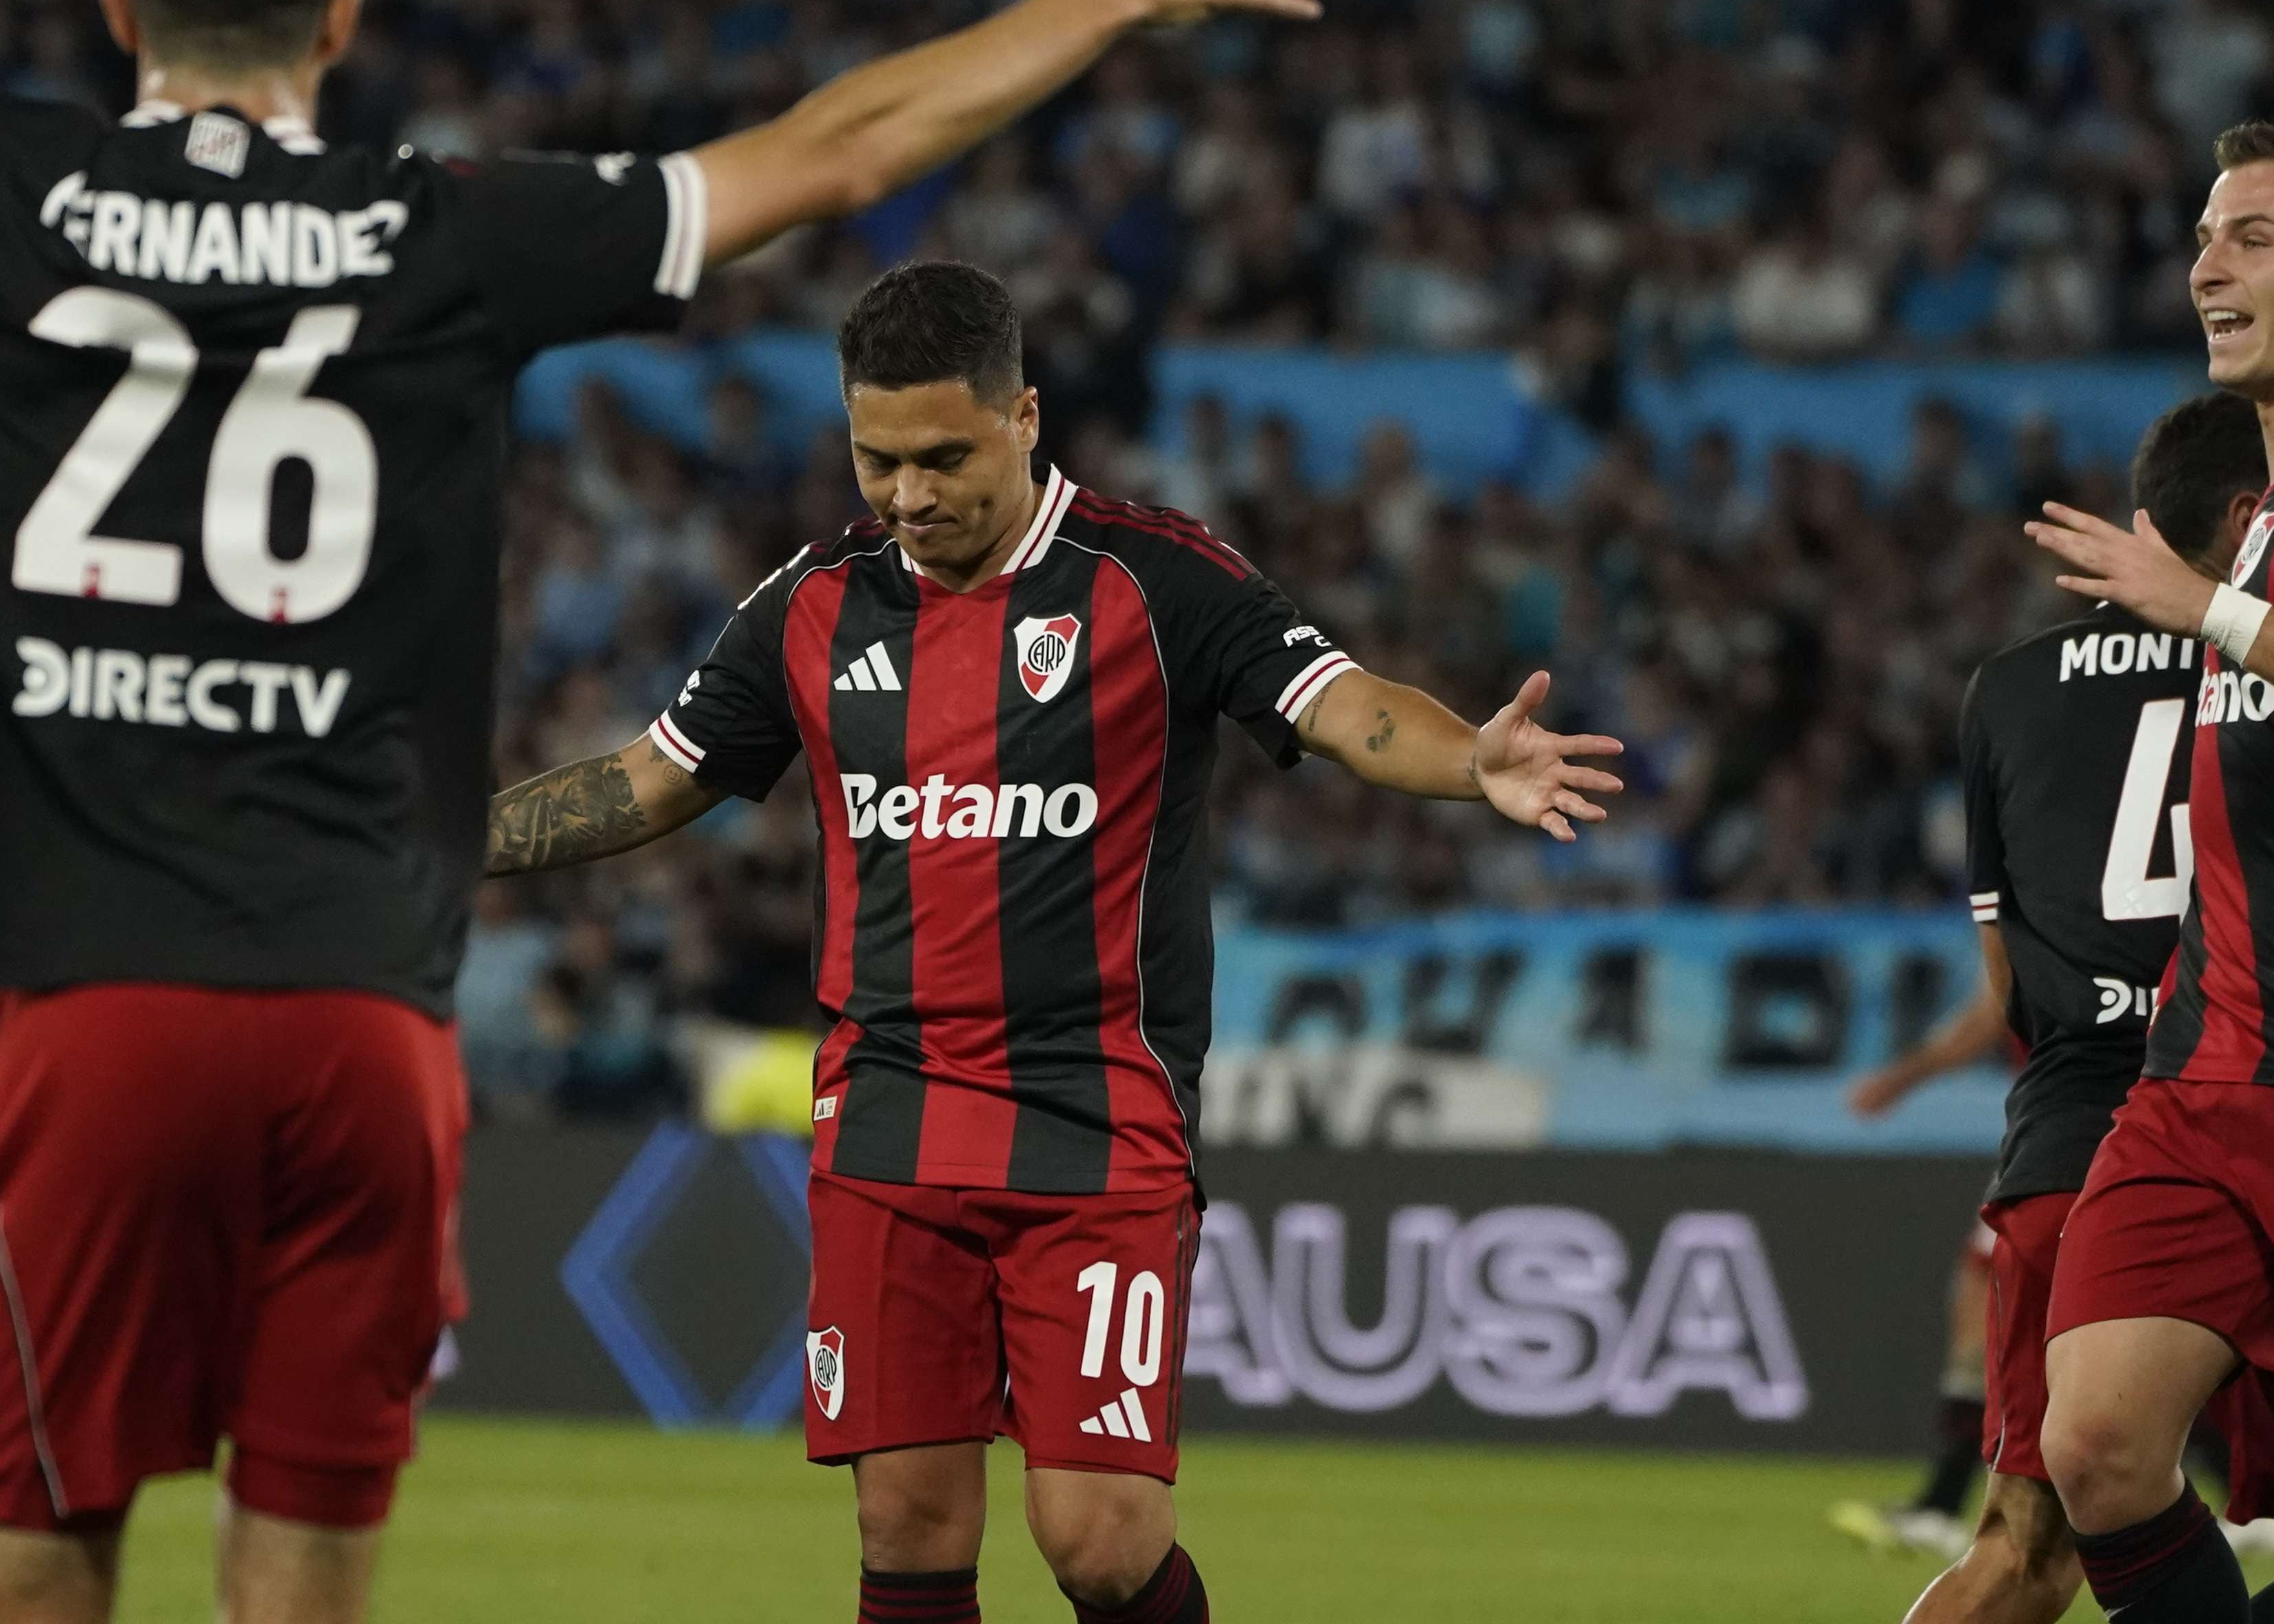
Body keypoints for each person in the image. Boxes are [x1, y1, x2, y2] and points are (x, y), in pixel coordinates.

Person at [0, 0, 1356, 1621]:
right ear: (342, 15)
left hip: (101, 987)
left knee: (21, 1578)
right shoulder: (447, 225)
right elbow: (840, 152)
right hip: (363, 1021)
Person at [485, 261, 1624, 1624]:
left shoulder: (1155, 581)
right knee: (906, 1523)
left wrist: (1466, 760)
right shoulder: (815, 603)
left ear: (1026, 416)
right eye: (876, 457)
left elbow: (1341, 705)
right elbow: (658, 776)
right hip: (891, 1111)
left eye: (945, 456)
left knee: (1097, 1537)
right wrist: (449, 838)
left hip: (1097, 1115)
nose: (907, 494)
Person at [1844, 392, 2272, 1621]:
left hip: (2076, 1127)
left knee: (2025, 1554)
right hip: (2249, 1102)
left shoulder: (2007, 688)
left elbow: (2004, 985)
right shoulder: (2258, 657)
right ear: (2252, 514)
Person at [2027, 121, 2274, 1622]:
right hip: (2206, 1071)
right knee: (2099, 1443)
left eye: (2251, 234)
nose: (2206, 265)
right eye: (2203, 236)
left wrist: (2207, 613)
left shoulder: (2226, 580)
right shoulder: (2251, 530)